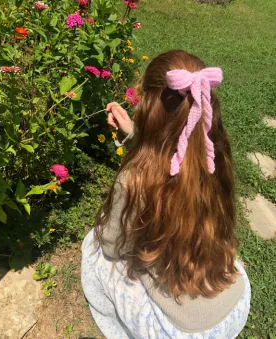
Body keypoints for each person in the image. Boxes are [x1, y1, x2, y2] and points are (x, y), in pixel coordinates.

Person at [81, 50, 251, 339]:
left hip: (177, 331)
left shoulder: (133, 181)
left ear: (149, 108)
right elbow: (175, 155)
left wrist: (138, 149)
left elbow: (112, 247)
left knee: (95, 249)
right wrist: (134, 136)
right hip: (233, 307)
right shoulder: (215, 158)